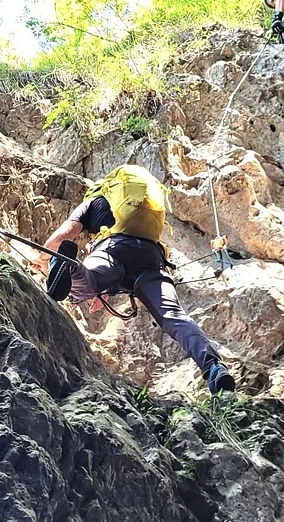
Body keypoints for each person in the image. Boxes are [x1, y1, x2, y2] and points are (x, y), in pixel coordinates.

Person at [37, 166, 236, 395]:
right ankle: (213, 367)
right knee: (174, 316)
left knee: (82, 284)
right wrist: (107, 292)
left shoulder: (94, 202)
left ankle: (67, 266)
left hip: (112, 250)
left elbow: (63, 235)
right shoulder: (138, 210)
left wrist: (41, 257)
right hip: (151, 259)